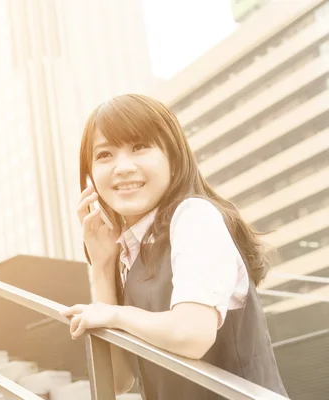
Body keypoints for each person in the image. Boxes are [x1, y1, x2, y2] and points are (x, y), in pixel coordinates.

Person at [60, 94, 288, 399]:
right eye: (104, 155)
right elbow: (117, 379)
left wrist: (113, 315)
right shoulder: (132, 254)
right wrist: (102, 267)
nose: (122, 167)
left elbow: (191, 334)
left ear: (173, 156)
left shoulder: (194, 216)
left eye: (140, 147)